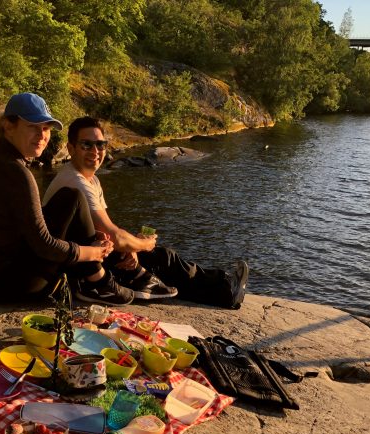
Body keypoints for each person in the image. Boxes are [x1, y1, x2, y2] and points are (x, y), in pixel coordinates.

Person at [43, 116, 249, 309]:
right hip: (80, 265)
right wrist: (142, 244)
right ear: (71, 148)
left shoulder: (91, 179)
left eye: (100, 144)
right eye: (86, 144)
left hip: (92, 251)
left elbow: (107, 229)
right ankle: (224, 290)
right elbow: (113, 235)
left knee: (157, 257)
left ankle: (223, 286)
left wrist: (130, 247)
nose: (95, 151)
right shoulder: (75, 181)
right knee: (161, 258)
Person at [0, 94, 134, 306]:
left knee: (69, 199)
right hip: (9, 288)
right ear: (9, 126)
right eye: (33, 126)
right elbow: (44, 245)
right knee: (73, 198)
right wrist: (92, 253)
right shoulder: (14, 171)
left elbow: (28, 226)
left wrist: (84, 236)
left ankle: (94, 278)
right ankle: (98, 281)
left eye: (46, 128)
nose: (42, 135)